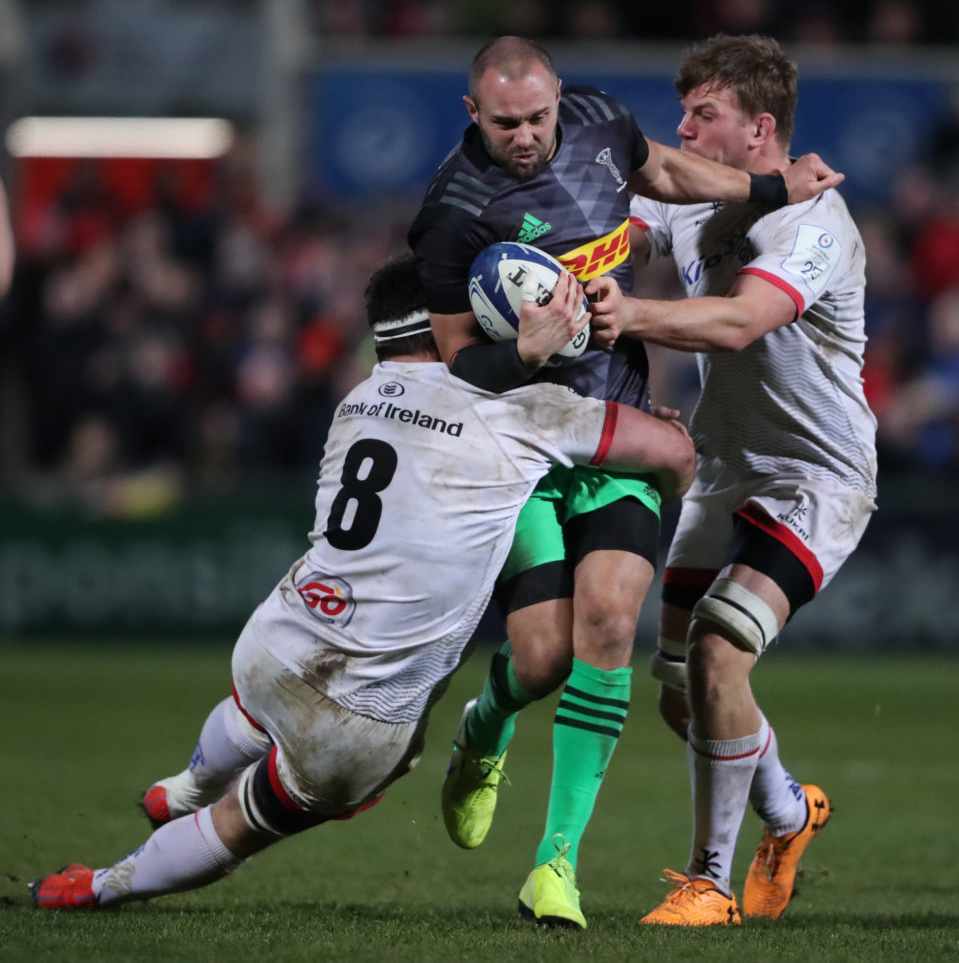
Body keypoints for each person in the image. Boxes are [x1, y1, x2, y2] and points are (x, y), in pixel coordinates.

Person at [29, 252, 695, 911]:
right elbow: (671, 454)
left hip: (276, 642)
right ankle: (104, 885)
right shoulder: (524, 411)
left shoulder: (358, 397)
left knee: (257, 712)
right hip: (363, 716)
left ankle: (183, 789)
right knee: (252, 820)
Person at [407, 34, 843, 928]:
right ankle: (485, 728)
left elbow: (667, 178)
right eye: (504, 123)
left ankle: (557, 867)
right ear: (471, 115)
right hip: (522, 450)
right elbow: (457, 363)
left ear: (559, 98)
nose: (526, 137)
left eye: (537, 117)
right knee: (543, 661)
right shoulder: (451, 212)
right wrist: (522, 350)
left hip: (624, 439)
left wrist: (770, 188)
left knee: (621, 631)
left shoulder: (602, 122)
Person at [585, 33, 877, 925]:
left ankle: (708, 883)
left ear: (758, 129)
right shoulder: (700, 204)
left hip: (815, 478)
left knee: (718, 653)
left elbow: (744, 321)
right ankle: (788, 813)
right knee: (681, 692)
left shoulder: (811, 221)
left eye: (700, 115)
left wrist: (632, 311)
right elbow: (627, 220)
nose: (681, 129)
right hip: (724, 467)